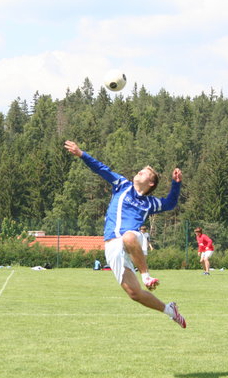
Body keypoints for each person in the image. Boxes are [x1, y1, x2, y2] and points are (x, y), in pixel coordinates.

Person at [64, 140, 186, 328]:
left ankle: (145, 275)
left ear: (151, 182)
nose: (140, 172)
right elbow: (101, 169)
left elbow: (170, 203)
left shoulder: (150, 203)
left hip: (131, 240)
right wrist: (81, 154)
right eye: (140, 170)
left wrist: (175, 184)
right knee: (134, 293)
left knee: (129, 236)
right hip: (112, 246)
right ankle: (170, 310)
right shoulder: (122, 185)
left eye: (145, 172)